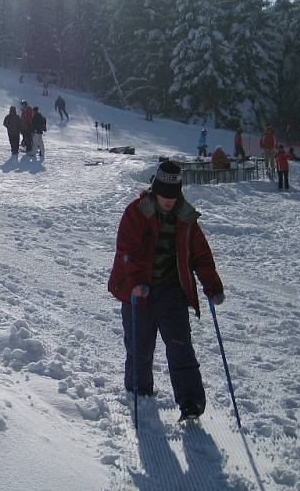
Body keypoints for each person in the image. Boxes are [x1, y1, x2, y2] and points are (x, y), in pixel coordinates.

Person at [108, 161, 225, 421]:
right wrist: (138, 281)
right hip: (138, 291)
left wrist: (212, 285)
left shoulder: (185, 216)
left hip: (171, 290)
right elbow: (127, 251)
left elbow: (200, 255)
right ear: (155, 190)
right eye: (165, 196)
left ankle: (190, 403)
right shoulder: (136, 212)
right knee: (139, 348)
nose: (170, 201)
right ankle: (139, 392)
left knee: (180, 346)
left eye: (174, 196)